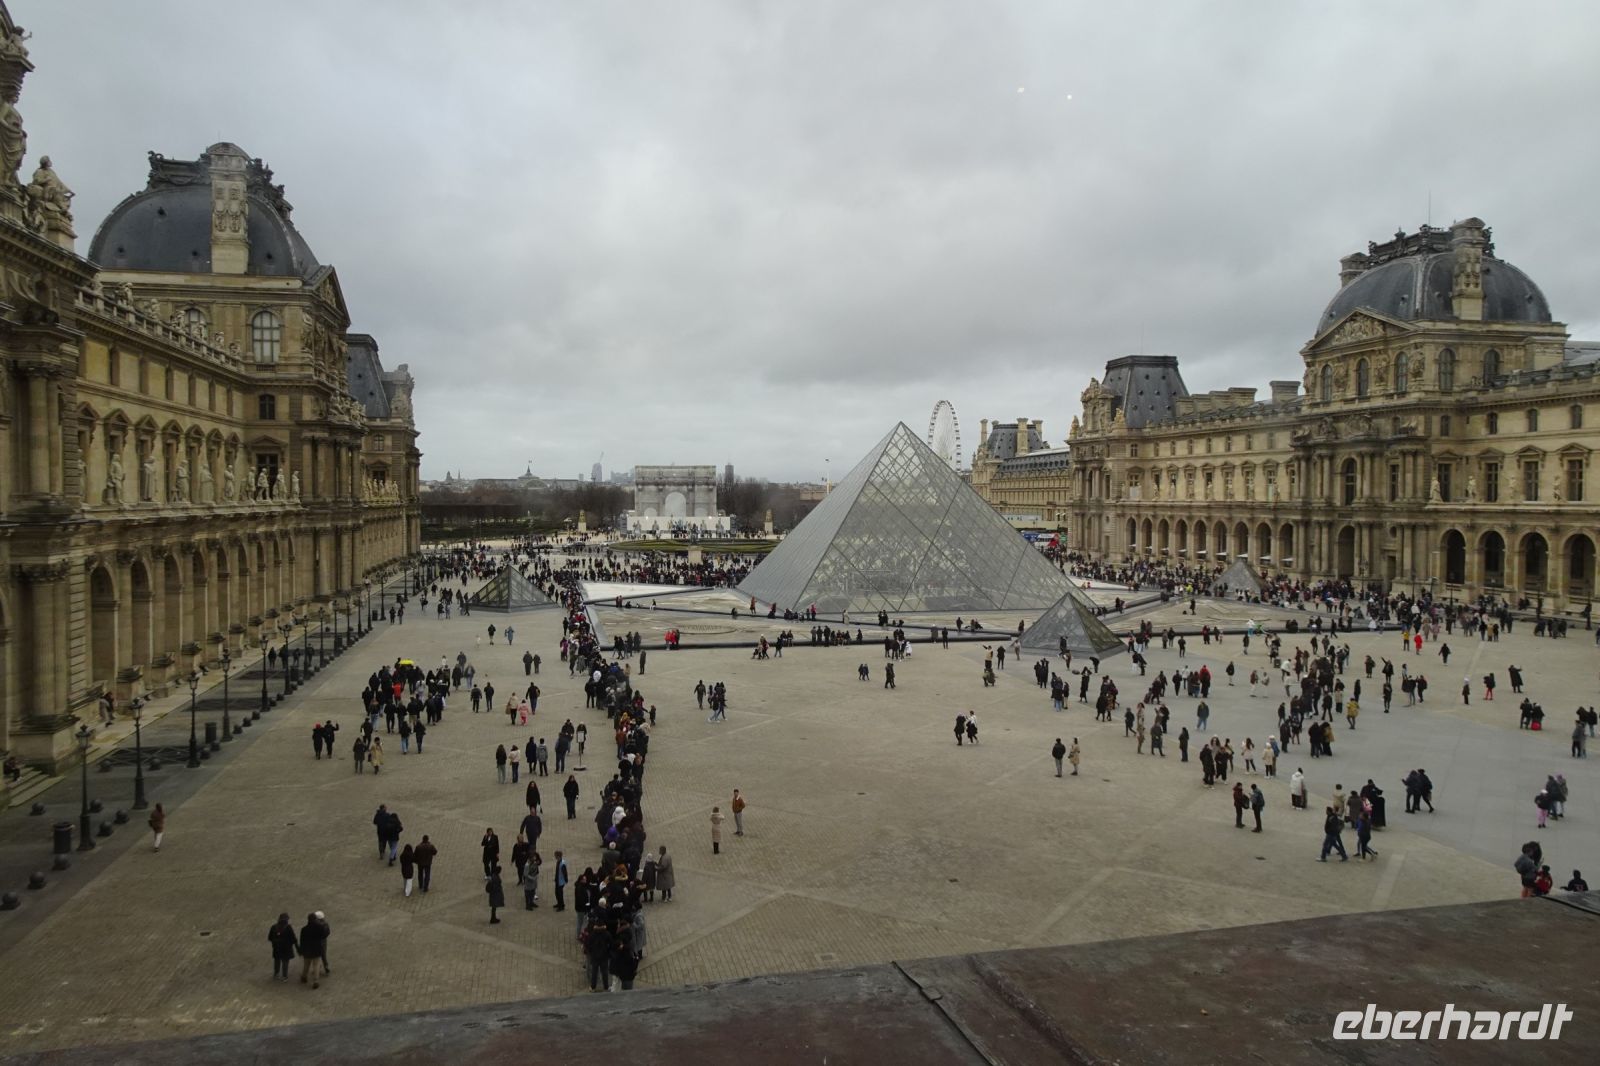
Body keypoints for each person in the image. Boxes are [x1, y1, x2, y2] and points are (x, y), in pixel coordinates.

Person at [299, 911, 330, 987]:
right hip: (316, 949)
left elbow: (302, 941)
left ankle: (304, 976)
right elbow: (324, 935)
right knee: (316, 965)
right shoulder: (319, 928)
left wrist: (301, 950)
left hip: (307, 950)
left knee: (306, 965)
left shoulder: (304, 929)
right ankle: (315, 981)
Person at [268, 913, 299, 982]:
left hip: (277, 948)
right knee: (285, 962)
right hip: (286, 948)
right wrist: (297, 947)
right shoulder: (288, 928)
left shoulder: (274, 927)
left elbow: (270, 937)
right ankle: (284, 976)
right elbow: (293, 938)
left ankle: (276, 974)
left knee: (277, 960)